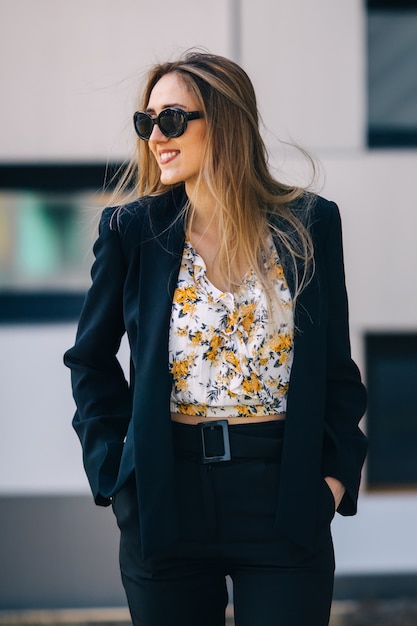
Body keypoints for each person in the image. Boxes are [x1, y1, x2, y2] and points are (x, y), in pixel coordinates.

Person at [64, 51, 368, 626]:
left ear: (225, 122)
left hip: (283, 496)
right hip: (165, 493)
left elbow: (335, 369)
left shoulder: (309, 223)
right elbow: (89, 359)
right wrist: (115, 474)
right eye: (146, 121)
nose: (156, 136)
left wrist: (331, 481)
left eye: (172, 119)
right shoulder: (133, 230)